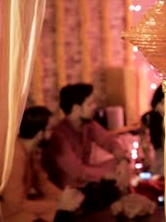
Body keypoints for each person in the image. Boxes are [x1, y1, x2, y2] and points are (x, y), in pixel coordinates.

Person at [0, 106, 84, 222]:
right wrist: (58, 205)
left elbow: (42, 183)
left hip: (9, 205)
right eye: (51, 129)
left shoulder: (30, 151)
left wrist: (63, 197)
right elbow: (15, 204)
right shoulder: (14, 156)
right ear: (39, 133)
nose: (54, 134)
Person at [41, 83, 137, 211]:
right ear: (76, 108)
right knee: (109, 180)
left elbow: (108, 140)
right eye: (90, 104)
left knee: (117, 164)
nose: (95, 107)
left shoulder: (87, 125)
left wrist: (122, 161)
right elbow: (77, 171)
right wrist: (108, 174)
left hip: (86, 182)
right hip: (66, 189)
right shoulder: (59, 136)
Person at [141, 85, 165, 176]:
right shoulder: (149, 119)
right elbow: (145, 145)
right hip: (158, 165)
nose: (165, 107)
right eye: (162, 103)